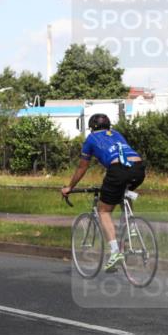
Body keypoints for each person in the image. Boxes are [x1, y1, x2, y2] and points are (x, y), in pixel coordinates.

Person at [62, 113, 145, 272]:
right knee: (123, 193)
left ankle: (115, 252)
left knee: (103, 211)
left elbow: (82, 167)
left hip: (118, 170)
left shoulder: (91, 138)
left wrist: (70, 187)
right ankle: (131, 227)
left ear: (91, 127)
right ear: (108, 125)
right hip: (139, 168)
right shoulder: (117, 134)